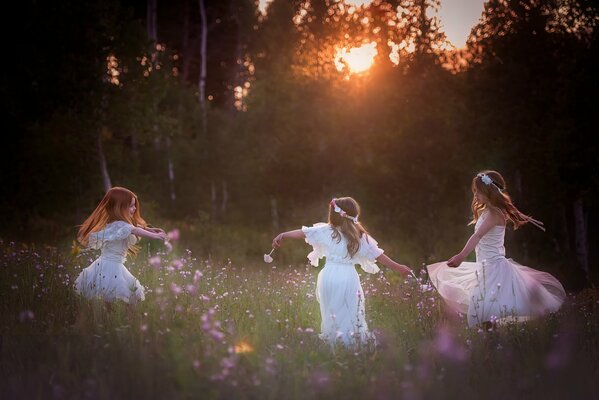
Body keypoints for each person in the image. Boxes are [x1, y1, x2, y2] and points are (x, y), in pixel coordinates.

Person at [427, 171, 566, 328]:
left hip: (494, 269)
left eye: (478, 191)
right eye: (475, 191)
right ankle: (491, 343)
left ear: (488, 191)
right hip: (485, 268)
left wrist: (461, 256)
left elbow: (478, 236)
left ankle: (493, 343)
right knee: (482, 313)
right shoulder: (486, 212)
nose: (476, 195)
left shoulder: (494, 214)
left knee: (486, 313)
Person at [272, 197, 413, 347]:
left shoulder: (326, 230)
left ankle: (334, 344)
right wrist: (399, 268)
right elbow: (379, 255)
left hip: (328, 276)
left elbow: (304, 232)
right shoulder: (359, 235)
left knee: (330, 313)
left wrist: (283, 235)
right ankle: (351, 345)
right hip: (347, 277)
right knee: (351, 312)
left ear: (333, 214)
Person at [74, 187, 168, 304]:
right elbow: (133, 229)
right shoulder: (121, 225)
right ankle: (108, 317)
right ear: (119, 207)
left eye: (134, 206)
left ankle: (110, 317)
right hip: (110, 266)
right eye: (131, 206)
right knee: (117, 295)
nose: (134, 209)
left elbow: (135, 227)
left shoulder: (117, 223)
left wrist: (151, 230)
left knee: (114, 296)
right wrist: (153, 236)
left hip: (109, 264)